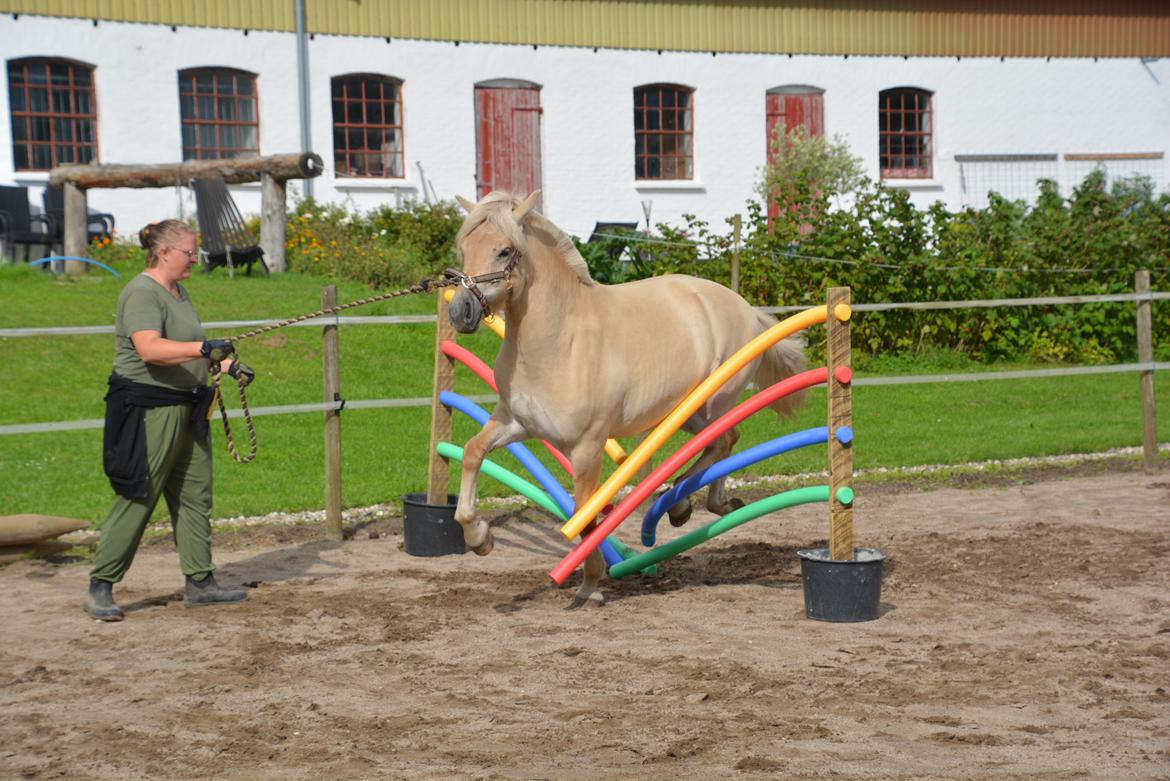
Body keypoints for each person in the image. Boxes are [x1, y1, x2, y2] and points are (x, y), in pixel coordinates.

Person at [85, 219, 255, 621]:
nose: (195, 258)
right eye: (189, 252)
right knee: (140, 494)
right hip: (150, 412)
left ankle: (200, 582)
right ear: (163, 252)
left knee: (196, 495)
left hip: (189, 408)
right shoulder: (141, 293)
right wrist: (202, 348)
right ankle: (101, 585)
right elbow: (150, 349)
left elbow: (187, 348)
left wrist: (227, 365)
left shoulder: (179, 292)